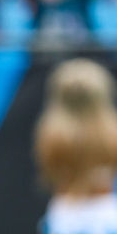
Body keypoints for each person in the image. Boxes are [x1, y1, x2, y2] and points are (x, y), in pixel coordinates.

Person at [34, 58, 117, 234]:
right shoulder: (110, 135)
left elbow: (51, 176)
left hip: (68, 214)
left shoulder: (51, 136)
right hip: (94, 214)